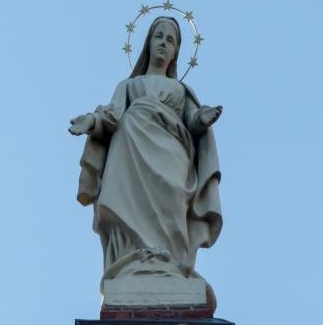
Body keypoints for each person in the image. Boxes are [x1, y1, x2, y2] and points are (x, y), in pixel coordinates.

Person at [68, 16, 223, 289]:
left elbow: (192, 118)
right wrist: (92, 121)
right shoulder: (128, 86)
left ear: (176, 52)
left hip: (172, 155)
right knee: (128, 206)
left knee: (172, 200)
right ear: (148, 43)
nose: (163, 43)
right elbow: (112, 115)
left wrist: (201, 118)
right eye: (158, 36)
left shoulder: (180, 89)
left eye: (170, 40)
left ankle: (172, 264)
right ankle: (130, 262)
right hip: (130, 150)